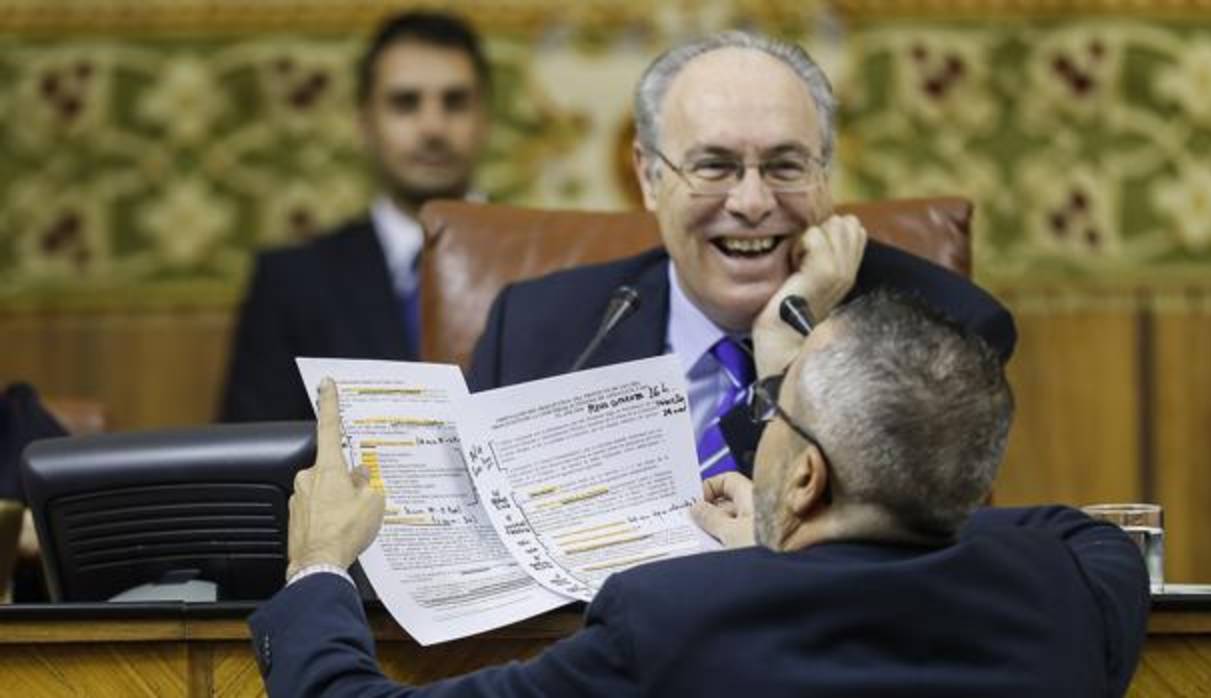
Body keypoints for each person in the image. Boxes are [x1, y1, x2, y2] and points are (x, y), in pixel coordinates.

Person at [248, 290, 1149, 697]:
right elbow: (1063, 528)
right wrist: (782, 541)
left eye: (773, 408)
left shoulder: (672, 617)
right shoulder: (1076, 586)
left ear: (804, 475)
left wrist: (321, 564)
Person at [466, 31, 1016, 479]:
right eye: (714, 166)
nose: (752, 202)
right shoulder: (539, 333)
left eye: (785, 166)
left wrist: (786, 349)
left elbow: (878, 558)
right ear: (649, 176)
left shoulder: (943, 334)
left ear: (825, 173)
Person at [220, 10, 491, 422]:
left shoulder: (551, 266)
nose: (433, 126)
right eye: (405, 103)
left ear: (485, 120)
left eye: (455, 102)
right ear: (365, 123)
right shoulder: (292, 285)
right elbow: (247, 461)